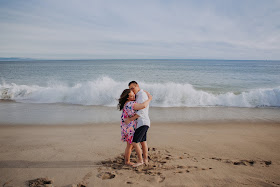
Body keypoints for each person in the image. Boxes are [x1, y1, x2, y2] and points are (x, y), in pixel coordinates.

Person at [118, 88, 152, 166]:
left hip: (126, 126)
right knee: (131, 144)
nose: (134, 96)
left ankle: (127, 157)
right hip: (129, 127)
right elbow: (143, 105)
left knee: (130, 145)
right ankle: (128, 161)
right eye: (132, 95)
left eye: (134, 94)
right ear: (127, 97)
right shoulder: (130, 104)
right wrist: (149, 98)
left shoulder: (126, 103)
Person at [125, 81, 151, 167]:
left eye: (133, 88)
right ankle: (145, 159)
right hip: (142, 122)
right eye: (130, 89)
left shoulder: (142, 95)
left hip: (142, 122)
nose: (132, 90)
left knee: (135, 142)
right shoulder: (138, 95)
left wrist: (130, 119)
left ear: (137, 86)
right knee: (143, 142)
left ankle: (140, 161)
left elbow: (142, 109)